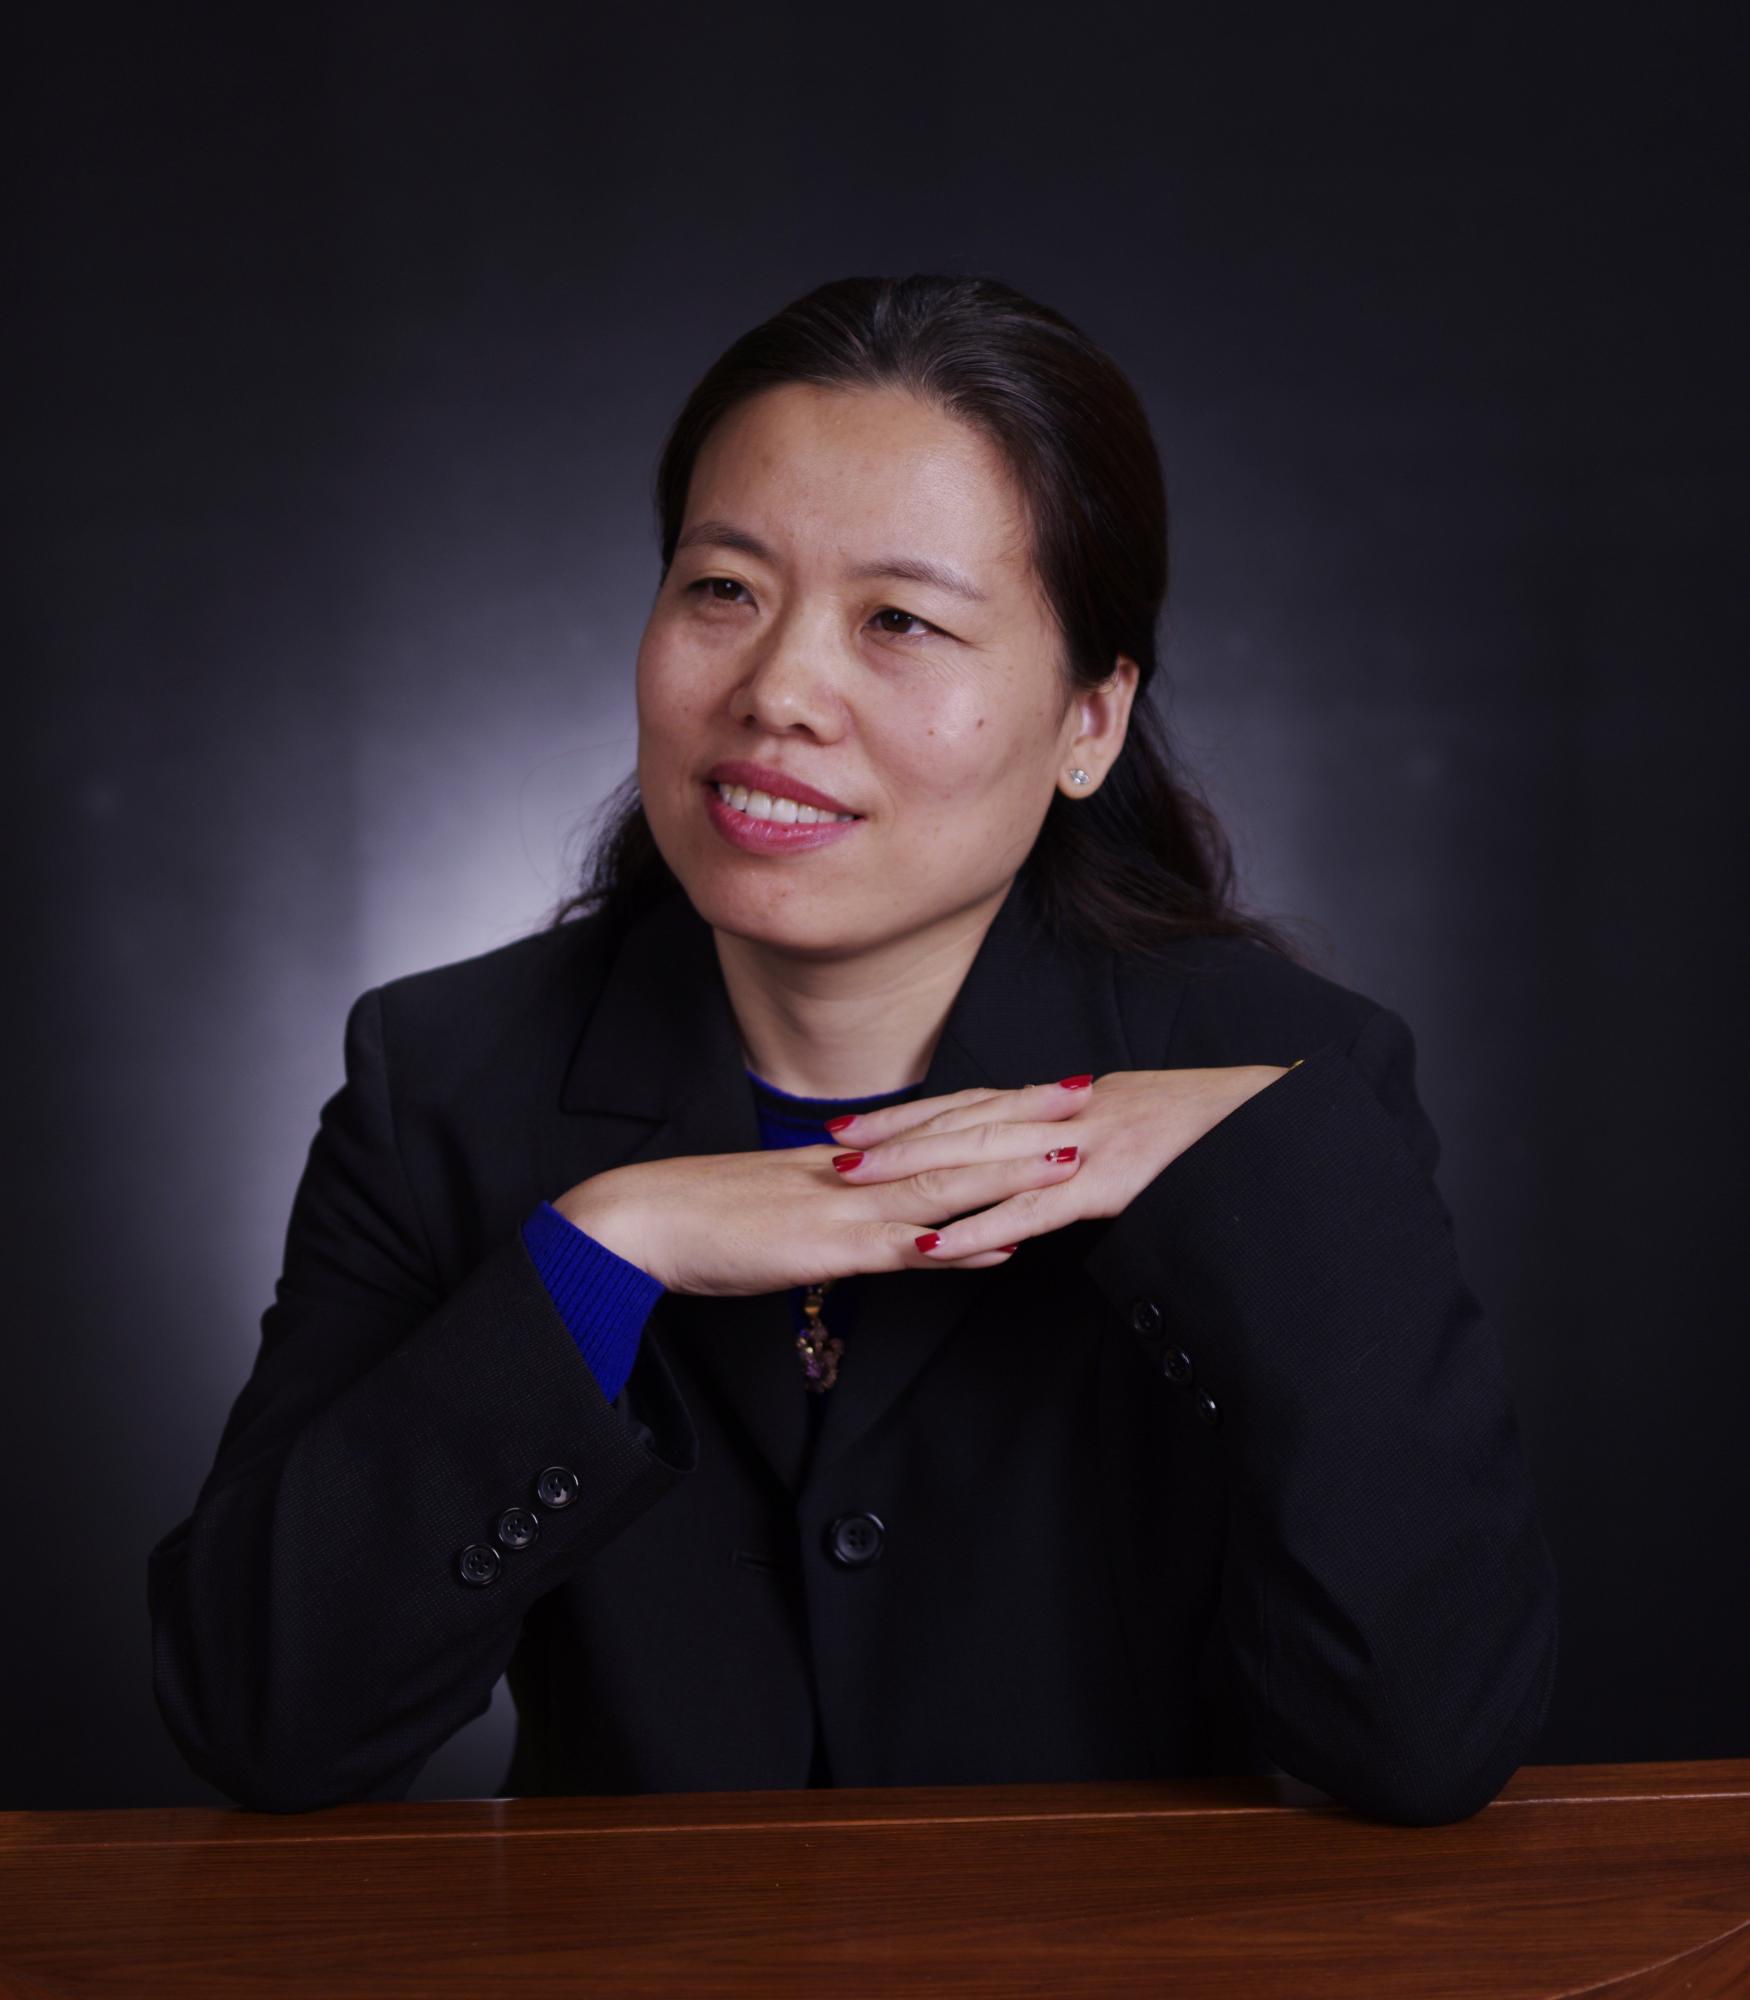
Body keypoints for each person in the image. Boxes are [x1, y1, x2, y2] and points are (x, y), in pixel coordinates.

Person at [147, 273, 1559, 1823]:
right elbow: (263, 1721)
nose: (775, 692)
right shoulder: (446, 1078)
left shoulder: (1274, 1077)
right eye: (721, 589)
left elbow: (1422, 1742)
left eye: (899, 620)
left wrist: (1258, 1179)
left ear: (1088, 722)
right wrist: (605, 1252)